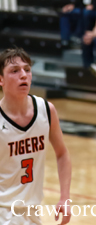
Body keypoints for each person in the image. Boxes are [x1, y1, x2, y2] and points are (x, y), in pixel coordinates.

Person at [0, 48, 72, 225]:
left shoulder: (46, 110)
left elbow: (62, 153)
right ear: (1, 79)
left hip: (32, 214)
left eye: (27, 69)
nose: (23, 75)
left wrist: (65, 198)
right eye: (15, 71)